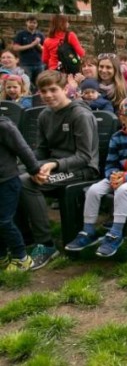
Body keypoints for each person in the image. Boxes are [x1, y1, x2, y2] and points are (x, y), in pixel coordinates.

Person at [17, 70, 99, 270]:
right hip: (54, 164)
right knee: (11, 176)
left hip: (83, 169)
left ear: (65, 89)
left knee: (27, 182)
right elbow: (42, 150)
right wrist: (30, 164)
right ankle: (24, 237)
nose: (48, 95)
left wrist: (53, 165)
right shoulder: (45, 114)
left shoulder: (80, 114)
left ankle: (46, 245)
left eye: (53, 90)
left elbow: (84, 156)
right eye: (44, 91)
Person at [64, 97, 127, 257]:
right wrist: (113, 176)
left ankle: (116, 234)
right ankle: (88, 231)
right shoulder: (117, 137)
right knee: (93, 190)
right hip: (120, 177)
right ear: (123, 118)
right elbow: (110, 163)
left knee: (123, 190)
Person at [0, 115, 41, 271]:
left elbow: (22, 148)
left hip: (7, 181)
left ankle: (21, 258)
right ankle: (2, 255)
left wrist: (34, 169)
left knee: (4, 221)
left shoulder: (3, 125)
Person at [12, 15, 45, 88]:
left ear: (37, 24)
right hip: (25, 64)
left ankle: (38, 99)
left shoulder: (40, 35)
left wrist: (38, 45)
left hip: (39, 64)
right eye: (30, 22)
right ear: (26, 23)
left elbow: (45, 50)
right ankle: (26, 99)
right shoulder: (21, 34)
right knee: (26, 85)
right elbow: (15, 48)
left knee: (40, 85)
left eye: (34, 23)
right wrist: (32, 45)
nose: (32, 24)